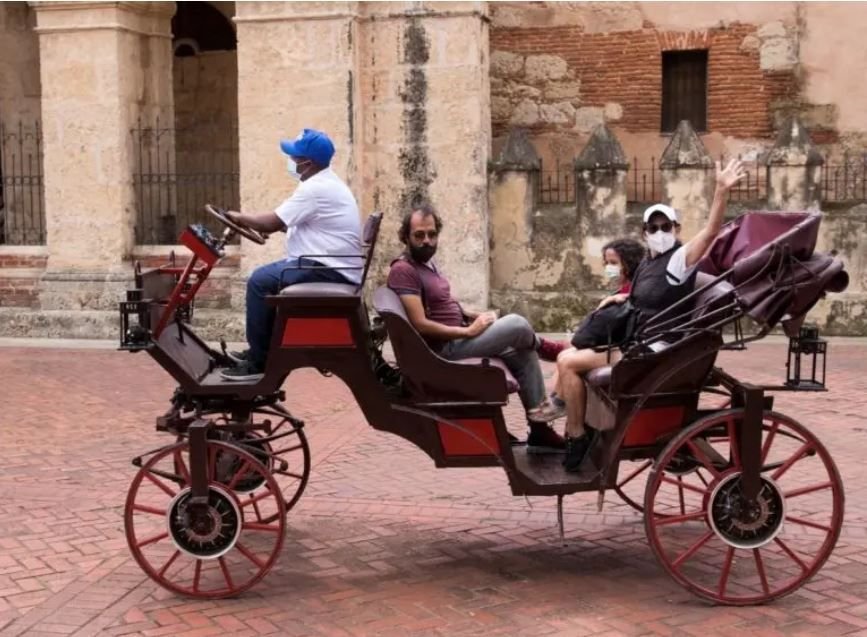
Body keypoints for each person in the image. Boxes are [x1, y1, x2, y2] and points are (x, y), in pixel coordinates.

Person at [556, 158, 746, 472]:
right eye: (653, 228)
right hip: (637, 342)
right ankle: (576, 423)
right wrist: (618, 297)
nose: (660, 232)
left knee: (568, 363)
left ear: (676, 229)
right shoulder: (648, 261)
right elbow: (641, 297)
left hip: (654, 351)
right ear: (644, 233)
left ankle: (576, 435)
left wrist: (721, 190)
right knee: (567, 354)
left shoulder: (678, 260)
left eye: (666, 227)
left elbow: (711, 232)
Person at [387, 203, 564, 453]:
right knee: (516, 324)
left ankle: (540, 430)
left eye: (432, 234)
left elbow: (443, 304)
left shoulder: (428, 264)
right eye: (419, 235)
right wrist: (468, 331)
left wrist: (471, 316)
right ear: (406, 236)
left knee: (523, 353)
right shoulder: (403, 270)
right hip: (444, 350)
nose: (427, 240)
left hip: (458, 337)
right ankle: (546, 347)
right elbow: (420, 324)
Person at [220, 128, 363, 381]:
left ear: (308, 163)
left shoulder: (315, 189)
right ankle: (261, 351)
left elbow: (272, 221)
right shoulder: (325, 183)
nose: (292, 161)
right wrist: (267, 226)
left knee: (259, 281)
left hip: (326, 269)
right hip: (327, 265)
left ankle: (259, 363)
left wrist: (239, 217)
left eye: (295, 157)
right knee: (267, 278)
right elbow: (293, 223)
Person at [537, 238, 646, 363]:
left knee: (567, 357)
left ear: (629, 264)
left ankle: (550, 347)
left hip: (618, 344)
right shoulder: (622, 290)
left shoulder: (630, 293)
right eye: (606, 263)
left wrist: (604, 304)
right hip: (607, 340)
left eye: (613, 263)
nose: (609, 267)